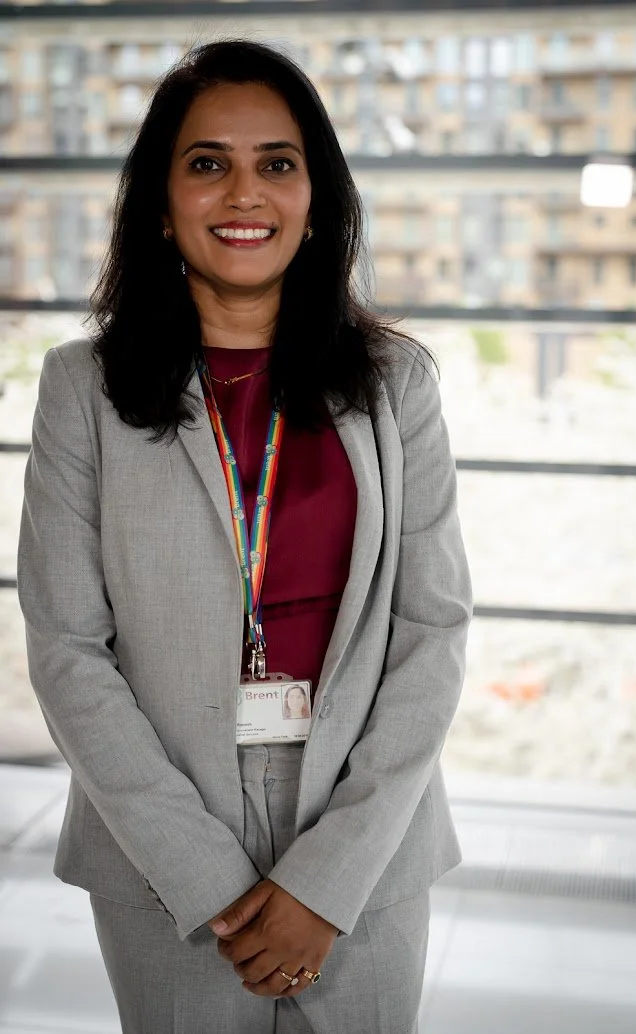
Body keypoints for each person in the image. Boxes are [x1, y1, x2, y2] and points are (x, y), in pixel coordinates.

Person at [16, 39, 472, 1034]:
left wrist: (326, 880)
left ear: (316, 197)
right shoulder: (80, 390)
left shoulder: (396, 383)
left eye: (277, 161)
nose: (244, 192)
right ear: (160, 198)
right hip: (157, 837)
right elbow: (65, 647)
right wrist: (206, 875)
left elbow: (432, 631)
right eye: (206, 161)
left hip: (365, 828)